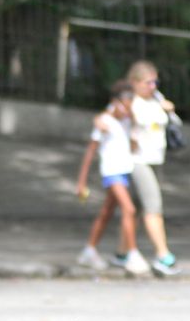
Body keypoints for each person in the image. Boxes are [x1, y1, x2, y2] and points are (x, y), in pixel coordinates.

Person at [73, 80, 150, 276]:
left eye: (132, 100)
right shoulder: (105, 122)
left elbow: (134, 141)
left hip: (123, 170)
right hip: (111, 172)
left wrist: (131, 120)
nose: (129, 104)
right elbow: (90, 152)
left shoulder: (126, 121)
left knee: (106, 212)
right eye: (126, 100)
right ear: (115, 101)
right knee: (129, 209)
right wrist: (81, 182)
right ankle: (132, 254)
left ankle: (89, 250)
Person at [120, 59, 179, 276]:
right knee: (153, 206)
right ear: (134, 82)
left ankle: (122, 251)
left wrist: (168, 109)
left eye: (155, 82)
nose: (153, 87)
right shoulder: (130, 102)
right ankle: (163, 256)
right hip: (138, 160)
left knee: (134, 209)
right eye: (148, 83)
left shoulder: (156, 98)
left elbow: (174, 123)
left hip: (155, 159)